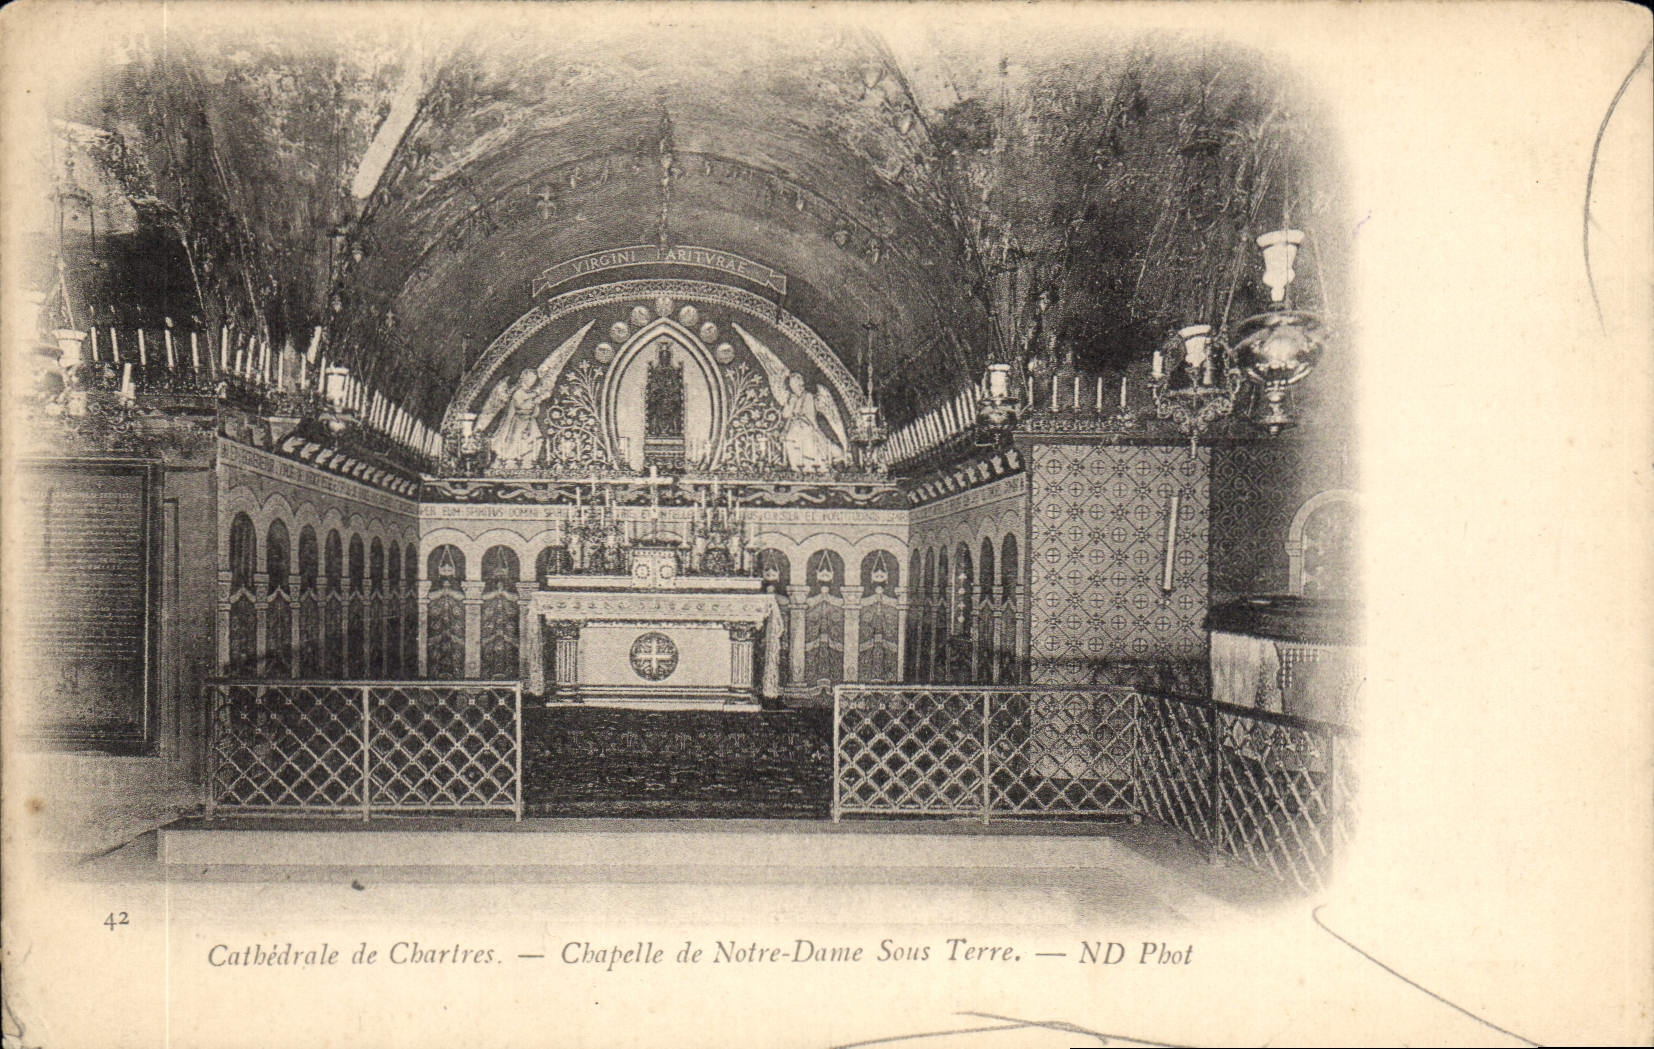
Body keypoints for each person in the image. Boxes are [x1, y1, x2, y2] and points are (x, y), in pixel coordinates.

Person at [491, 368, 549, 466]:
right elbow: (521, 405)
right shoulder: (518, 392)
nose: (533, 381)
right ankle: (512, 462)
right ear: (525, 378)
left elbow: (534, 411)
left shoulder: (529, 393)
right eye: (531, 378)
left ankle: (529, 462)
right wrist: (535, 398)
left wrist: (536, 402)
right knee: (516, 443)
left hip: (529, 421)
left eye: (534, 379)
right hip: (519, 422)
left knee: (535, 440)